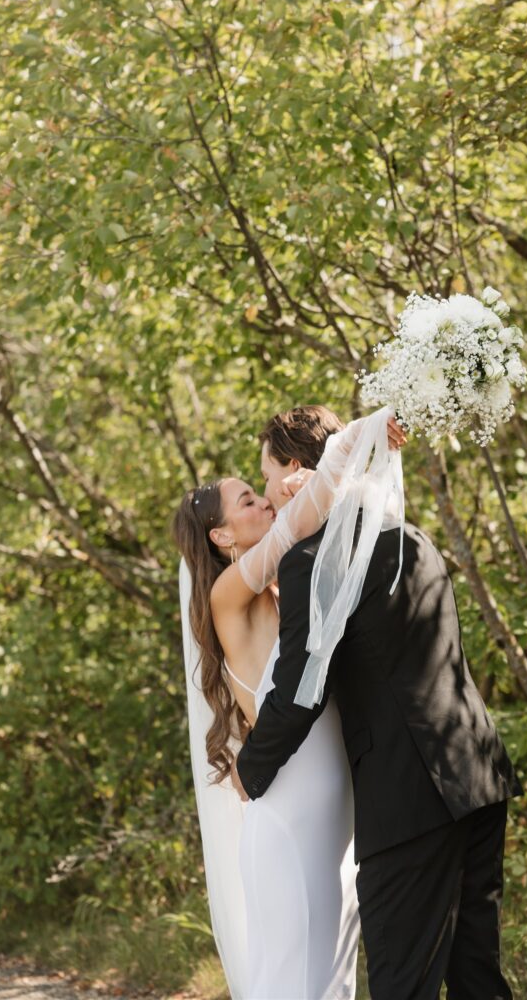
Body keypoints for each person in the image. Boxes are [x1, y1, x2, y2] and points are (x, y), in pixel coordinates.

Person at [232, 405, 523, 1000]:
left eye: (265, 473)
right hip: (480, 775)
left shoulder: (315, 563)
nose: (265, 491)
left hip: (409, 800)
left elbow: (299, 691)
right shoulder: (408, 535)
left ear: (294, 468)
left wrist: (250, 768)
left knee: (402, 983)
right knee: (477, 977)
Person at [173, 407, 406, 1000]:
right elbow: (294, 523)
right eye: (246, 500)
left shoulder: (292, 583)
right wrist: (358, 434)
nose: (261, 503)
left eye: (258, 491)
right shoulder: (229, 594)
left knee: (334, 982)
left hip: (336, 821)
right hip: (287, 819)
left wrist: (369, 460)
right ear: (221, 537)